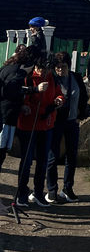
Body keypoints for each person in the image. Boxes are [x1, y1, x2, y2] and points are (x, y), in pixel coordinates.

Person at [16, 54, 64, 208]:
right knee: (27, 161)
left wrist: (59, 100)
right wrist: (32, 106)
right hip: (29, 126)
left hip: (47, 126)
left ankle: (38, 193)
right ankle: (21, 194)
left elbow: (59, 93)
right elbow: (23, 100)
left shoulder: (51, 77)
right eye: (41, 69)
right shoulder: (28, 79)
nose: (44, 73)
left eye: (47, 70)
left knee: (43, 162)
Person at [0, 46, 39, 208]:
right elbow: (10, 91)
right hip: (5, 119)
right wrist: (33, 89)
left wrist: (21, 103)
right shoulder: (19, 73)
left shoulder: (7, 67)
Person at [46, 52, 87, 203]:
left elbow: (83, 97)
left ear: (69, 66)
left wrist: (80, 115)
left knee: (72, 156)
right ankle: (51, 190)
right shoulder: (52, 79)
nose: (60, 70)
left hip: (72, 122)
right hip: (56, 122)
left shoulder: (76, 78)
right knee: (52, 157)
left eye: (63, 67)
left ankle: (67, 188)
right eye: (57, 67)